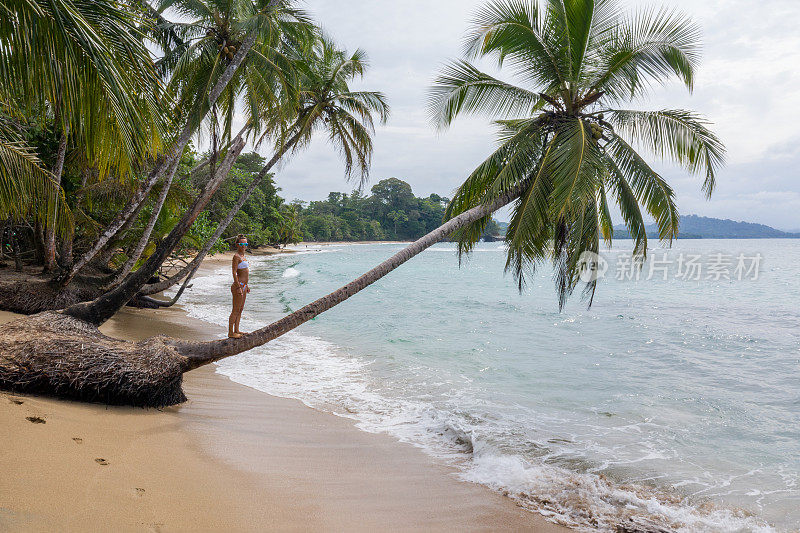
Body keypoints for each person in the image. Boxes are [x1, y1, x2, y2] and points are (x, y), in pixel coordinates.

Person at [229, 234, 250, 338]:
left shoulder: (243, 257)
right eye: (241, 244)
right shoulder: (236, 257)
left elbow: (245, 273)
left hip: (244, 286)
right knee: (235, 310)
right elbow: (234, 272)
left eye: (245, 244)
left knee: (240, 309)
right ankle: (230, 332)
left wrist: (247, 286)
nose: (244, 246)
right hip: (239, 286)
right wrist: (238, 287)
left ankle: (237, 330)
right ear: (237, 245)